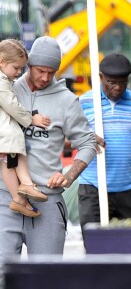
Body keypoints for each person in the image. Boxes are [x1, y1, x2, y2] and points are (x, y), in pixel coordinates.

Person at [0, 36, 97, 256]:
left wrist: (69, 176)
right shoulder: (7, 88)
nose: (45, 78)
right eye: (40, 70)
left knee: (45, 278)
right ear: (29, 65)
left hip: (47, 200)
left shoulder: (67, 100)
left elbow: (88, 143)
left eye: (51, 72)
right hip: (4, 198)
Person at [78, 53, 131, 237]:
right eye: (112, 82)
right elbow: (65, 141)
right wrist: (86, 136)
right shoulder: (84, 103)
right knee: (95, 249)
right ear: (100, 78)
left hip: (129, 190)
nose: (118, 87)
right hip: (92, 189)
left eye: (123, 82)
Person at [0, 39, 51, 218]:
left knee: (11, 157)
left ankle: (24, 188)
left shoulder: (4, 80)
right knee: (10, 155)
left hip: (5, 132)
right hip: (5, 132)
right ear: (1, 62)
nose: (19, 72)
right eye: (16, 68)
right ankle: (19, 195)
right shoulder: (1, 83)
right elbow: (11, 105)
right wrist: (31, 119)